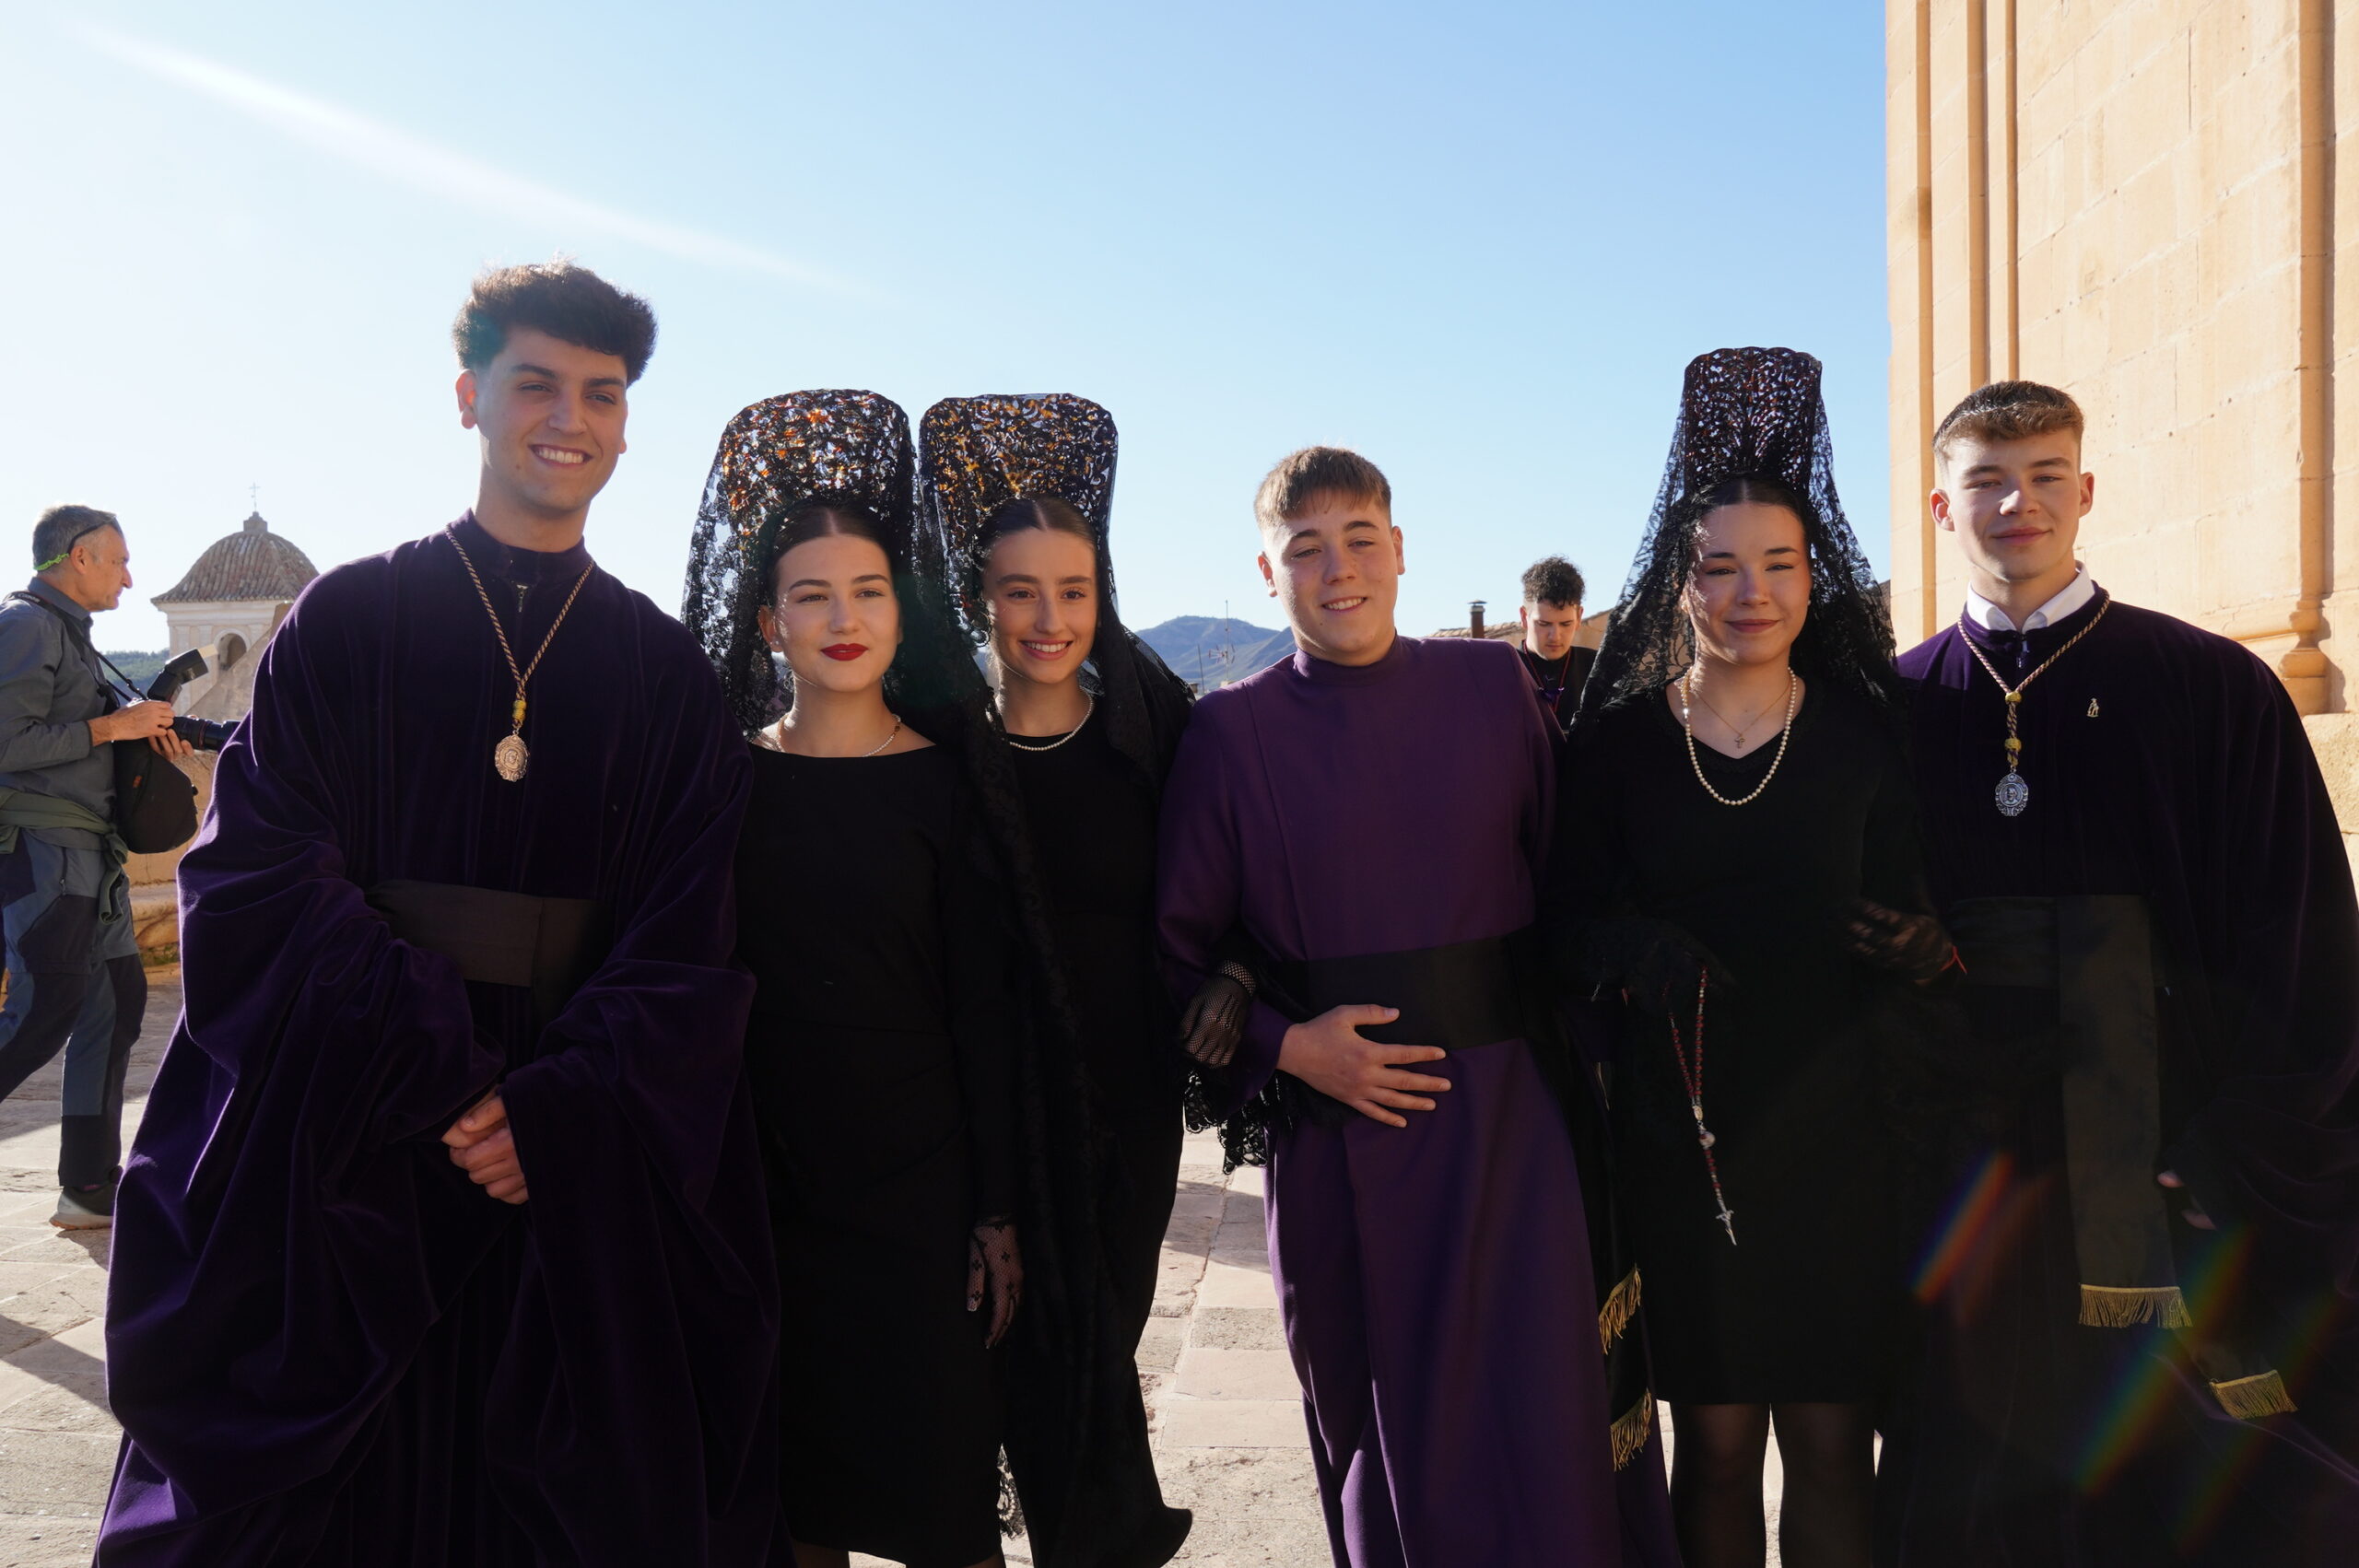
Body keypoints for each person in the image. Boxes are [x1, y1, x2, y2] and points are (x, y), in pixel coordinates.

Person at [98, 263, 780, 1565]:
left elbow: (691, 929)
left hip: (573, 1154)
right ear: (470, 397)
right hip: (349, 1131)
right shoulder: (349, 621)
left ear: (627, 422)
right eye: (537, 384)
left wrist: (558, 1110)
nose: (569, 419)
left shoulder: (663, 671)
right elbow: (258, 874)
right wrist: (449, 1082)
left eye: (601, 394)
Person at [1155, 445, 1677, 1567]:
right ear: (1267, 571)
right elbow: (1174, 953)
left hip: (1516, 1122)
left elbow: (1566, 881)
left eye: (1359, 540)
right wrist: (1288, 1045)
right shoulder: (1230, 732)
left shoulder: (1493, 687)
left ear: (1398, 550)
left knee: (1545, 1417)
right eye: (1305, 548)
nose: (1337, 568)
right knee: (1389, 1430)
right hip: (1348, 1136)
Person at [1877, 380, 2359, 1564]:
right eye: (1988, 481)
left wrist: (2231, 1142)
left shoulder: (2211, 688)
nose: (2019, 504)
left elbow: (2300, 934)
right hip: (1966, 1168)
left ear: (2085, 490)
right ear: (1941, 507)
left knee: (2173, 1483)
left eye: (2045, 476)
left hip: (2162, 1152)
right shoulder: (1892, 705)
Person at [1548, 347, 1946, 1568]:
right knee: (1716, 1448)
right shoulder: (1617, 748)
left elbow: (1924, 912)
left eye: (1778, 563)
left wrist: (1925, 946)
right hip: (1688, 1145)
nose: (1750, 592)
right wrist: (1630, 943)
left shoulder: (1870, 737)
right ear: (1679, 583)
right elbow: (1557, 927)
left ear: (1815, 576)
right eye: (1718, 566)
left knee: (1832, 1444)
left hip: (1844, 1143)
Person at [686, 389, 1024, 1568]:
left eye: (869, 591)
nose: (843, 617)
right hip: (762, 1193)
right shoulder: (722, 787)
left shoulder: (949, 784)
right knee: (793, 1511)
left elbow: (985, 1007)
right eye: (812, 594)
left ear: (900, 610)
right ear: (767, 621)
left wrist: (993, 1208)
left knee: (945, 1510)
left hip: (919, 1198)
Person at [918, 392, 1193, 1566]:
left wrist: (1234, 979)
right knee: (999, 1369)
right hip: (979, 1111)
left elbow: (1227, 884)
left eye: (1073, 591)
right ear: (976, 595)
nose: (1049, 619)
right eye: (1020, 591)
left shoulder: (1151, 727)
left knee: (1099, 1356)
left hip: (1126, 1108)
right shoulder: (935, 739)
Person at [0, 506, 183, 1228]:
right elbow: (6, 742)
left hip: (90, 861)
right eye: (120, 561)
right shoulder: (26, 626)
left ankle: (87, 1186)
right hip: (42, 853)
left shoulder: (68, 634)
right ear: (80, 557)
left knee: (116, 1003)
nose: (129, 579)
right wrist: (113, 726)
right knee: (43, 1009)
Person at [1517, 554, 1595, 733]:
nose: (1555, 636)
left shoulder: (1598, 669)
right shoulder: (1503, 669)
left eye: (1566, 624)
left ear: (1579, 618)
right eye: (1543, 624)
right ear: (1524, 617)